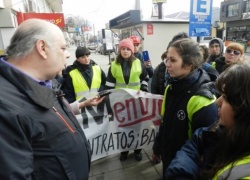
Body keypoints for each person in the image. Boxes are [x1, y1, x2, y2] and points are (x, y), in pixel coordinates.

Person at [0, 18, 105, 179]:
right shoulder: (6, 108)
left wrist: (82, 104)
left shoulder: (44, 81)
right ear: (42, 48)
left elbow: (49, 112)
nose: (68, 54)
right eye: (63, 48)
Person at [166, 62, 250, 180]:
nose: (217, 102)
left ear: (249, 108)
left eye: (225, 98)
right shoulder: (227, 129)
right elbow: (198, 141)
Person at [151, 38, 218, 178]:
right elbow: (165, 123)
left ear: (189, 64)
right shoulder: (170, 87)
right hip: (169, 159)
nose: (167, 64)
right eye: (167, 59)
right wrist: (157, 149)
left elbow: (206, 150)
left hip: (186, 170)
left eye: (173, 60)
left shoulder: (202, 100)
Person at [105, 38, 149, 161]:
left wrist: (144, 88)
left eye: (128, 49)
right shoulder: (114, 65)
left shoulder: (138, 63)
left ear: (132, 50)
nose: (125, 51)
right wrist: (109, 106)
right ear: (119, 51)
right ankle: (124, 151)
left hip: (136, 103)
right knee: (122, 129)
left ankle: (137, 150)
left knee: (137, 128)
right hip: (120, 104)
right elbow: (109, 86)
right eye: (123, 49)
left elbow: (145, 77)